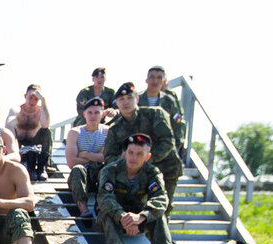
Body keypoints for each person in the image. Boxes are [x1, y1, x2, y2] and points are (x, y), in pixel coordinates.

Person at [97, 134, 188, 244]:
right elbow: (105, 198)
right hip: (116, 215)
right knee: (105, 214)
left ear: (147, 156)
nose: (134, 157)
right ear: (124, 153)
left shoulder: (152, 172)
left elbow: (161, 198)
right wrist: (123, 216)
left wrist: (141, 217)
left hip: (139, 216)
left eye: (140, 154)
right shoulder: (110, 170)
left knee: (159, 214)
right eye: (131, 153)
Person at [103, 82, 183, 211]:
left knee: (163, 208)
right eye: (121, 99)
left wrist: (146, 160)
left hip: (165, 168)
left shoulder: (155, 114)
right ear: (116, 103)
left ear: (137, 99)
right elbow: (109, 155)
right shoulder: (115, 129)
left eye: (129, 98)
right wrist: (124, 163)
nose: (125, 102)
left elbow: (167, 141)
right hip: (134, 174)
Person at [66, 97, 109, 222]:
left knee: (106, 168)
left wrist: (84, 154)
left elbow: (107, 157)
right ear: (84, 114)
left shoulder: (107, 132)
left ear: (102, 114)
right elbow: (71, 162)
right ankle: (84, 210)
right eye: (90, 112)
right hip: (81, 177)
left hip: (100, 175)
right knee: (77, 169)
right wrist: (96, 157)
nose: (93, 116)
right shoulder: (75, 133)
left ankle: (101, 209)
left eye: (97, 112)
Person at [6, 84, 52, 181]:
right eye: (30, 97)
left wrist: (43, 100)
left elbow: (45, 124)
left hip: (34, 143)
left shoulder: (41, 110)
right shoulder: (17, 109)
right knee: (10, 131)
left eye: (36, 99)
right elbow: (9, 125)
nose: (33, 101)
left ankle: (41, 169)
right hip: (18, 142)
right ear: (25, 96)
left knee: (47, 132)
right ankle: (22, 165)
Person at [139, 66, 186, 157]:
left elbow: (178, 125)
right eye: (152, 77)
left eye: (159, 78)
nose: (155, 81)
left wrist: (174, 147)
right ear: (146, 80)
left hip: (163, 149)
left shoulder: (169, 101)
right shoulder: (137, 100)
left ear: (164, 81)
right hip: (139, 147)